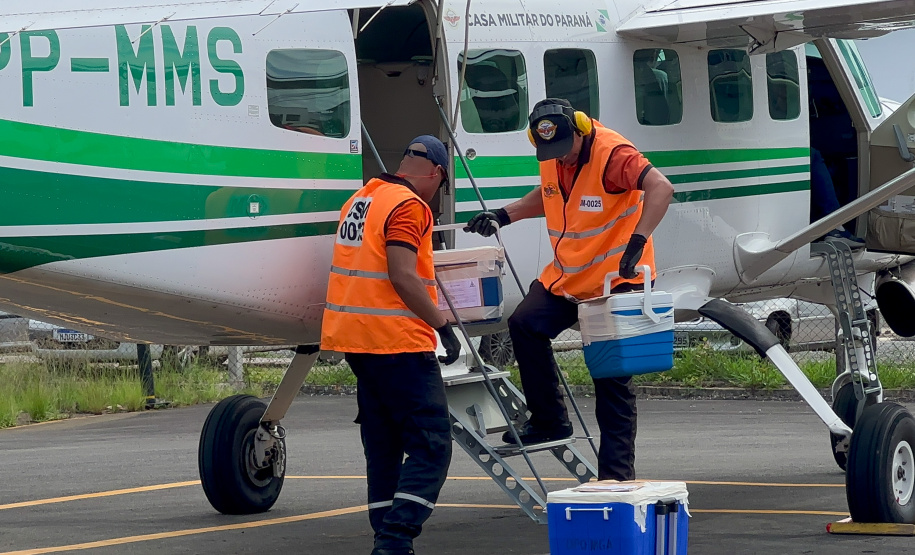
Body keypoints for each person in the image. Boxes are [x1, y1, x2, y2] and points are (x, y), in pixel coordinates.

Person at [464, 98, 674, 481]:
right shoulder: (553, 152)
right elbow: (548, 196)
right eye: (553, 153)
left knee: (610, 379)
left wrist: (639, 240)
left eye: (567, 149)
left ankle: (615, 477)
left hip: (617, 279)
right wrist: (503, 215)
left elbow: (661, 187)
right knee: (526, 324)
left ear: (580, 127)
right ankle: (549, 421)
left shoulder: (613, 154)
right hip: (569, 276)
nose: (562, 159)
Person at [321, 135, 462, 555]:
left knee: (383, 446)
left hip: (356, 341)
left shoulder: (362, 198)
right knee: (433, 446)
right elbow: (402, 274)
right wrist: (442, 326)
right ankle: (395, 540)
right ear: (436, 173)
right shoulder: (408, 206)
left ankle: (387, 537)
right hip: (397, 343)